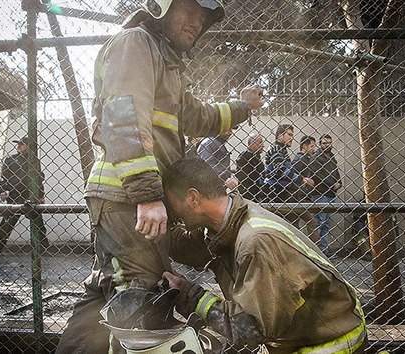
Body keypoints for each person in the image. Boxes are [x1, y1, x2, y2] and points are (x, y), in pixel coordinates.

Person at [55, 0, 265, 352]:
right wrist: (147, 196)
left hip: (131, 199)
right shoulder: (135, 43)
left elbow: (198, 117)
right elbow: (122, 116)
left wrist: (243, 107)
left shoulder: (167, 61)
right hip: (127, 198)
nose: (196, 22)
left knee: (111, 294)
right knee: (140, 302)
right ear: (163, 7)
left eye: (202, 18)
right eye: (189, 11)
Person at [162, 157, 366, 353]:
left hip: (328, 342)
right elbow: (189, 248)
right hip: (295, 337)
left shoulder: (256, 242)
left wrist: (190, 296)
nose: (171, 211)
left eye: (171, 204)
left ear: (192, 198)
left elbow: (250, 330)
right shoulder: (226, 221)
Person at [0, 136, 49, 253]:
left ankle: (43, 249)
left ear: (29, 146)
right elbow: (1, 177)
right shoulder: (10, 160)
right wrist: (2, 190)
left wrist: (41, 195)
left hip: (30, 195)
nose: (19, 146)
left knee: (38, 223)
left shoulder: (34, 161)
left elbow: (38, 178)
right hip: (14, 195)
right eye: (18, 144)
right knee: (7, 224)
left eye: (22, 144)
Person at [309, 134, 342, 255]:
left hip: (330, 194)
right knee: (320, 222)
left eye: (329, 143)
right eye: (324, 143)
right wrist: (332, 184)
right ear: (320, 144)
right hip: (320, 193)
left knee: (326, 223)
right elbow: (318, 175)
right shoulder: (316, 157)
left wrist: (339, 183)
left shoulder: (332, 157)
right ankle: (318, 251)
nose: (327, 145)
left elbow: (336, 173)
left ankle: (324, 250)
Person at [291, 135, 320, 243]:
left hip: (300, 197)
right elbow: (292, 175)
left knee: (295, 224)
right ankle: (316, 249)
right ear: (304, 146)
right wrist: (304, 180)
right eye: (312, 146)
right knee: (311, 223)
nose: (314, 149)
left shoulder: (305, 159)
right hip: (298, 197)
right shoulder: (300, 159)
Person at [235, 133, 265, 201]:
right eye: (260, 142)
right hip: (248, 195)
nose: (263, 145)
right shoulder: (244, 157)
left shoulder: (257, 158)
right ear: (252, 144)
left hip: (257, 194)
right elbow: (243, 177)